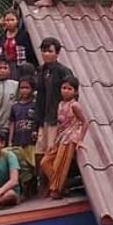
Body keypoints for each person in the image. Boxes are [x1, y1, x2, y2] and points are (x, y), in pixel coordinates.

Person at [40, 77, 89, 199]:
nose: (66, 91)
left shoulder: (75, 105)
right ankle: (60, 185)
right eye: (64, 88)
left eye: (69, 89)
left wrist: (80, 139)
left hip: (70, 137)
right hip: (60, 136)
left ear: (75, 92)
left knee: (59, 164)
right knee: (45, 162)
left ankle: (56, 190)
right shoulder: (61, 104)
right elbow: (59, 124)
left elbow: (85, 122)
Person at [34, 37, 74, 170]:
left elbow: (72, 95)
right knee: (39, 152)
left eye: (50, 51)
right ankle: (42, 185)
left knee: (51, 153)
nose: (46, 54)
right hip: (43, 118)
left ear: (57, 53)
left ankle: (53, 185)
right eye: (44, 51)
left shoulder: (63, 71)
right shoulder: (40, 71)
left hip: (56, 119)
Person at [8, 77, 38, 196]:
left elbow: (38, 122)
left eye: (27, 88)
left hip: (31, 140)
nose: (24, 90)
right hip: (19, 141)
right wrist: (10, 140)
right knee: (22, 166)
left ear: (32, 89)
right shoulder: (15, 107)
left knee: (33, 165)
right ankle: (26, 189)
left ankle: (35, 187)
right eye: (22, 88)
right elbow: (12, 124)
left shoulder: (35, 105)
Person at [0, 9, 37, 79]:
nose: (10, 22)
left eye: (12, 20)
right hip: (5, 67)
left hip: (20, 67)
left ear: (17, 21)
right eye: (7, 20)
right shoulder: (3, 37)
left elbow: (30, 53)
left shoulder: (23, 35)